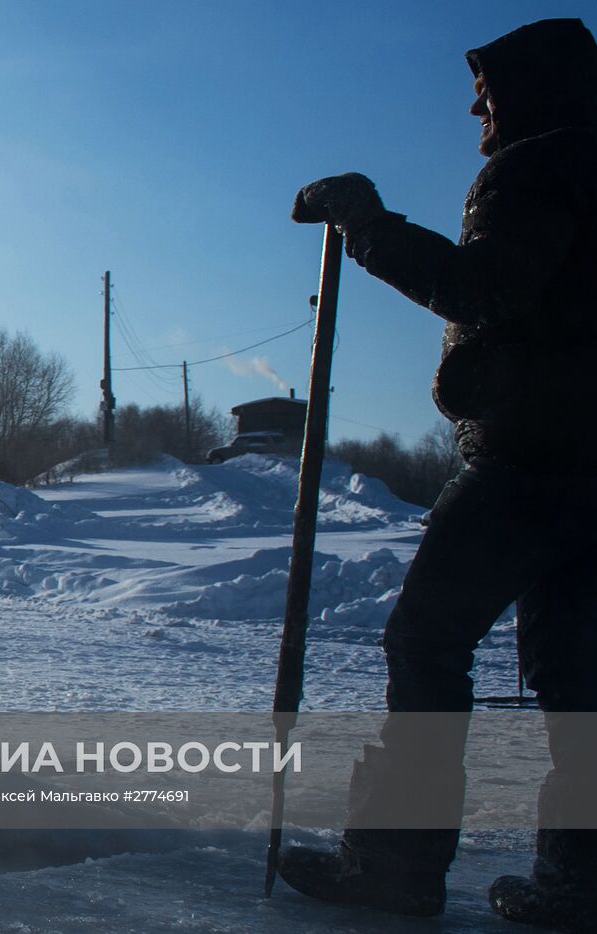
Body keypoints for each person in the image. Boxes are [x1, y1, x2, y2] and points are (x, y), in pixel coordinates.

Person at [280, 18, 597, 930]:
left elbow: (482, 287)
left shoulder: (538, 167)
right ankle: (581, 879)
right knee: (580, 674)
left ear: (531, 91)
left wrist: (367, 225)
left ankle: (395, 863)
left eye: (488, 89)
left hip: (529, 461)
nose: (474, 106)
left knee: (426, 643)